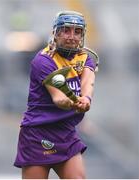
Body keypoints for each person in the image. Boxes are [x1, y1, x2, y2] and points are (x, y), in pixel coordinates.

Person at [14, 10, 98, 179]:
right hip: (38, 134)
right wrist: (73, 103)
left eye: (77, 31)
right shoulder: (43, 60)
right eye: (66, 30)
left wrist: (86, 99)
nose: (72, 36)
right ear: (56, 33)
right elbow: (59, 98)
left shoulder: (84, 58)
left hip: (66, 132)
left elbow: (88, 82)